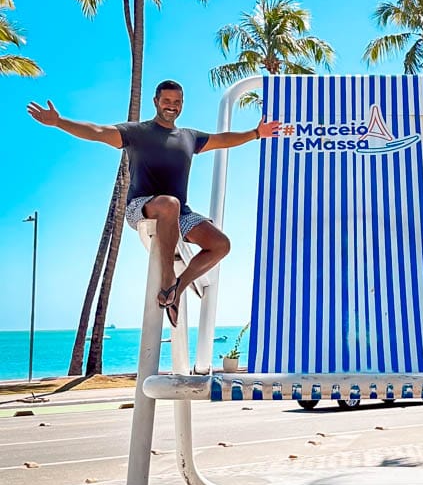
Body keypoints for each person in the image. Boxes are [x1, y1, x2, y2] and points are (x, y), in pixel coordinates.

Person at [27, 79, 280, 327]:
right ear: (156, 102)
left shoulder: (189, 137)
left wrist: (257, 133)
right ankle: (168, 276)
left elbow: (222, 139)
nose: (172, 105)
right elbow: (97, 132)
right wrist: (59, 122)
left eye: (177, 101)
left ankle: (177, 289)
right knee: (170, 203)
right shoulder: (137, 133)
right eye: (167, 100)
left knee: (220, 244)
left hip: (179, 212)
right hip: (141, 207)